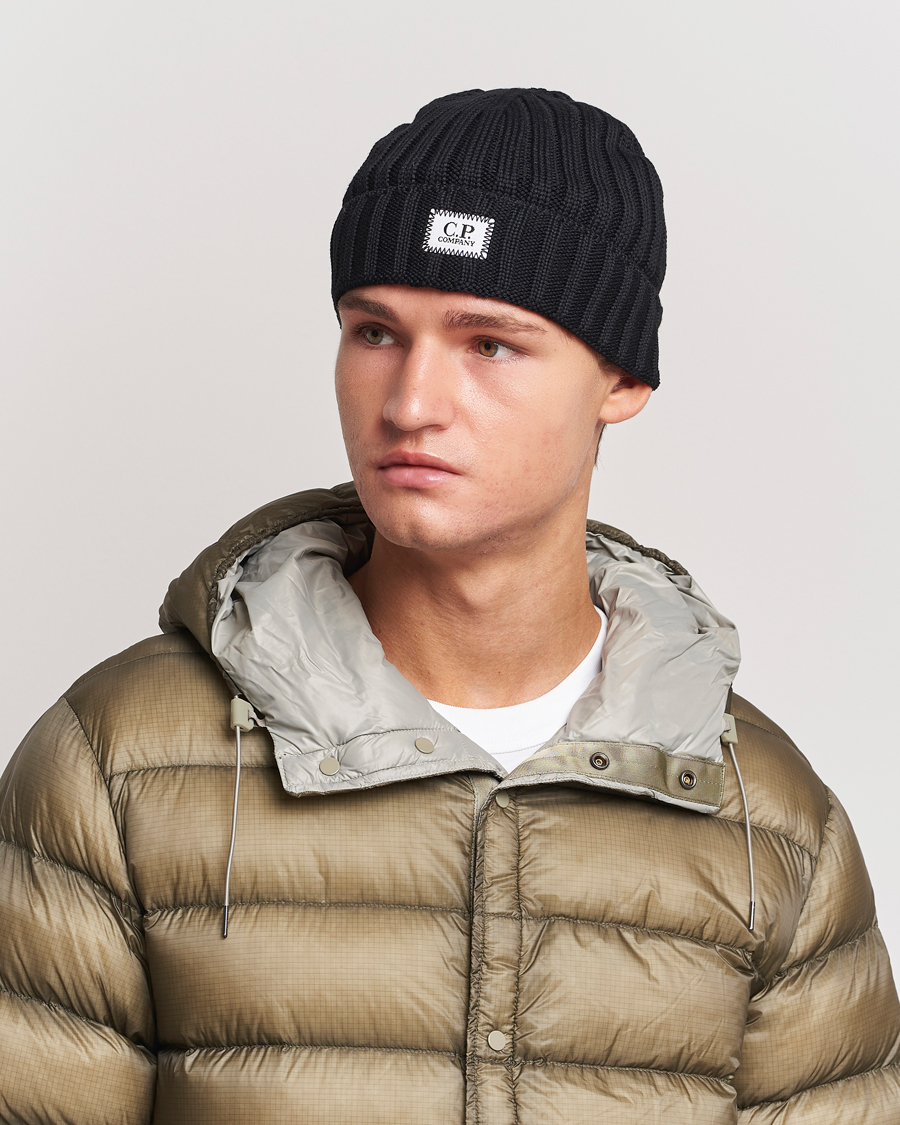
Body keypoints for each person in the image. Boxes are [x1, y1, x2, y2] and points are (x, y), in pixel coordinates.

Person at [1, 87, 897, 1125]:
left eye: (489, 344)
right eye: (376, 331)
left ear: (620, 380)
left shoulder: (770, 822)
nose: (411, 402)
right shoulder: (116, 763)